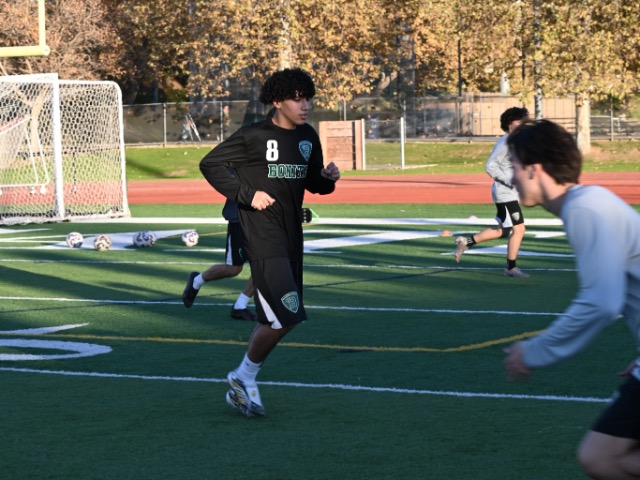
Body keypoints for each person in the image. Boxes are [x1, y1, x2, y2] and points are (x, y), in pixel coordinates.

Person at [503, 120, 640, 479]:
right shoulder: (587, 203)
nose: (511, 177)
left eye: (514, 165)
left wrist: (535, 351)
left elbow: (602, 301)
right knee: (610, 455)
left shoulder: (585, 208)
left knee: (602, 457)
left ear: (534, 169)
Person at [199, 68, 340, 417]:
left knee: (276, 318)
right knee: (287, 315)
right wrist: (247, 194)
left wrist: (327, 179)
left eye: (308, 99)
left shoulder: (308, 136)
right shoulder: (253, 136)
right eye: (297, 99)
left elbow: (313, 183)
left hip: (292, 237)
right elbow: (210, 164)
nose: (305, 105)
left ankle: (242, 380)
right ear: (277, 101)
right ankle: (243, 376)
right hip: (263, 238)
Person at [454, 107, 530, 278]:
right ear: (510, 123)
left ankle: (465, 242)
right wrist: (509, 180)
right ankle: (511, 268)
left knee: (502, 231)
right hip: (505, 193)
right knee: (519, 230)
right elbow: (490, 166)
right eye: (519, 121)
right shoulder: (504, 143)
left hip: (510, 193)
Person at [182, 198, 256, 321]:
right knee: (233, 268)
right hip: (240, 219)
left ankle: (240, 305)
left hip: (264, 221)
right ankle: (197, 280)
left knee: (264, 265)